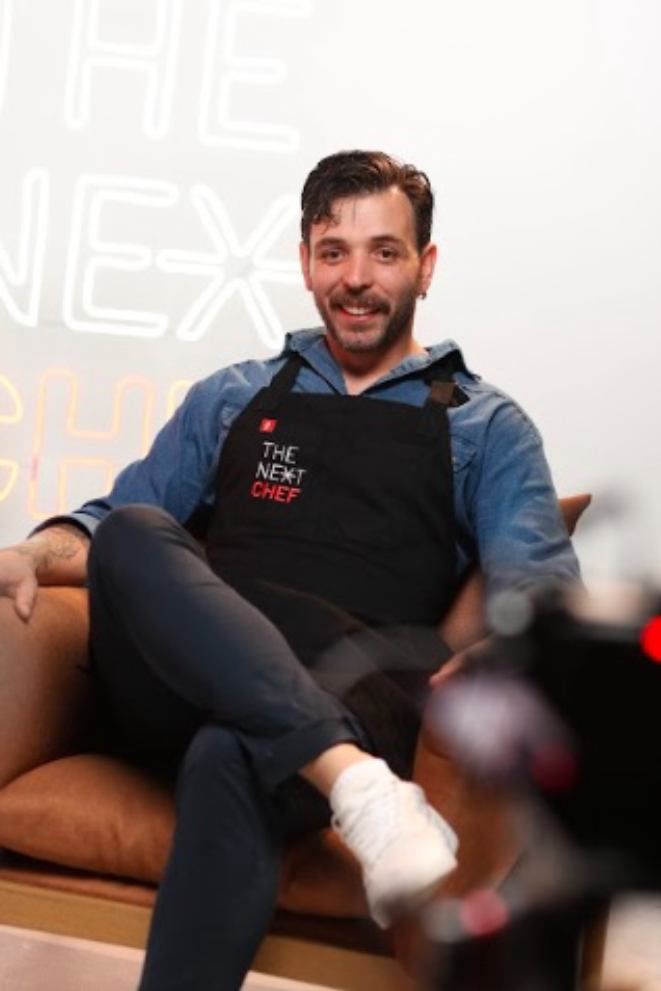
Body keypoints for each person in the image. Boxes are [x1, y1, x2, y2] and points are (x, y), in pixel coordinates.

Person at [0, 150, 580, 990]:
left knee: (232, 751)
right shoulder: (233, 394)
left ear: (425, 266)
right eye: (333, 251)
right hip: (184, 684)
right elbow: (108, 527)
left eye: (384, 252)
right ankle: (362, 790)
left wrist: (511, 650)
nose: (356, 278)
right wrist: (31, 552)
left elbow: (538, 589)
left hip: (353, 691)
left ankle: (330, 762)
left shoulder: (486, 426)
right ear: (306, 262)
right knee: (133, 528)